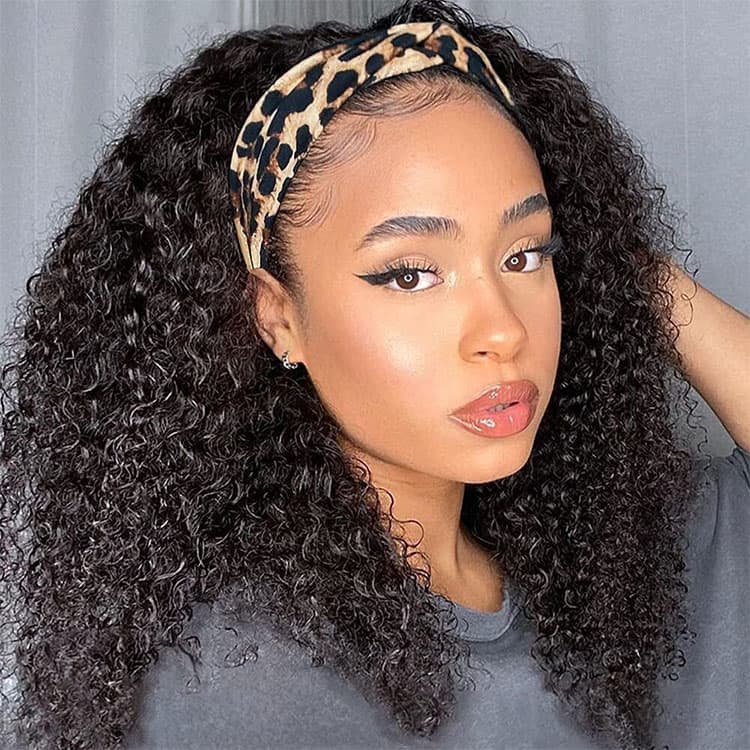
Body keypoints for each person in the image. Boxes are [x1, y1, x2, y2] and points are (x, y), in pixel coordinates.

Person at [0, 0, 747, 748]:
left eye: (526, 256)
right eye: (410, 275)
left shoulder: (631, 565)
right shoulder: (245, 687)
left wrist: (609, 257)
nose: (503, 330)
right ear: (276, 316)